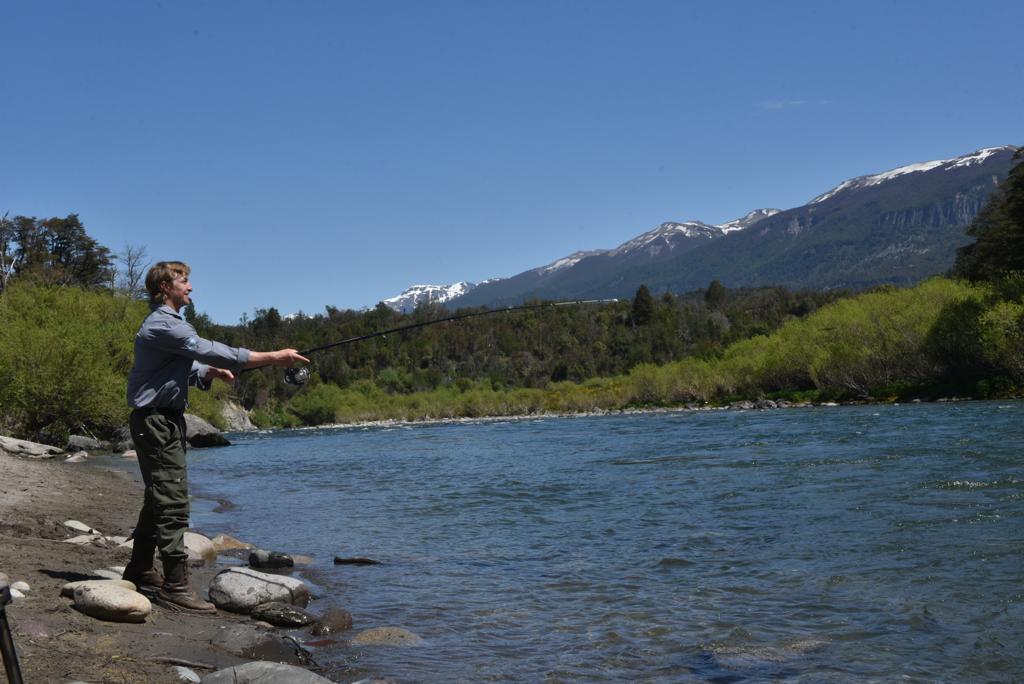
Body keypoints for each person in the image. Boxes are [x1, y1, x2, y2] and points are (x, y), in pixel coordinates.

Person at [122, 261, 308, 612]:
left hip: (162, 420)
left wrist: (210, 372)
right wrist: (274, 357)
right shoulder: (163, 323)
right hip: (156, 420)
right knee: (173, 501)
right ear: (165, 288)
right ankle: (175, 586)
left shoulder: (169, 325)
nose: (190, 287)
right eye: (184, 281)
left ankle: (141, 568)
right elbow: (205, 347)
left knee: (158, 495)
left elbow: (187, 362)